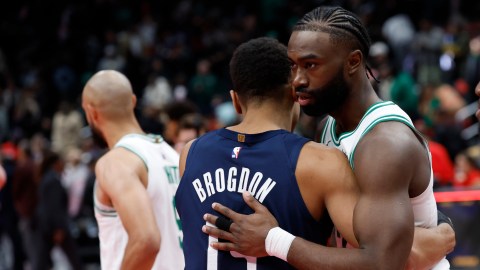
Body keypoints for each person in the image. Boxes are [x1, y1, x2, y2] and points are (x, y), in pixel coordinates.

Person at [203, 6, 455, 269]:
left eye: (311, 65)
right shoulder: (327, 126)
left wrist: (272, 240)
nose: (297, 80)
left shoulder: (385, 143)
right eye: (293, 66)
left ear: (353, 62)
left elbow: (381, 263)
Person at [175, 37, 360, 269]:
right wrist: (279, 242)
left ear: (235, 101)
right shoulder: (320, 162)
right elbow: (377, 259)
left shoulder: (190, 153)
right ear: (295, 92)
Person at [81, 70, 184, 269]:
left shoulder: (115, 162)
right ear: (133, 101)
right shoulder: (173, 156)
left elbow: (146, 240)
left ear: (91, 112)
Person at [33, 150, 83, 270]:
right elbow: (54, 207)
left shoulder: (48, 178)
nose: (63, 165)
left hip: (47, 225)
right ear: (55, 163)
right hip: (53, 226)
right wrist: (59, 228)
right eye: (61, 162)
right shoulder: (52, 180)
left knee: (42, 260)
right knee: (74, 259)